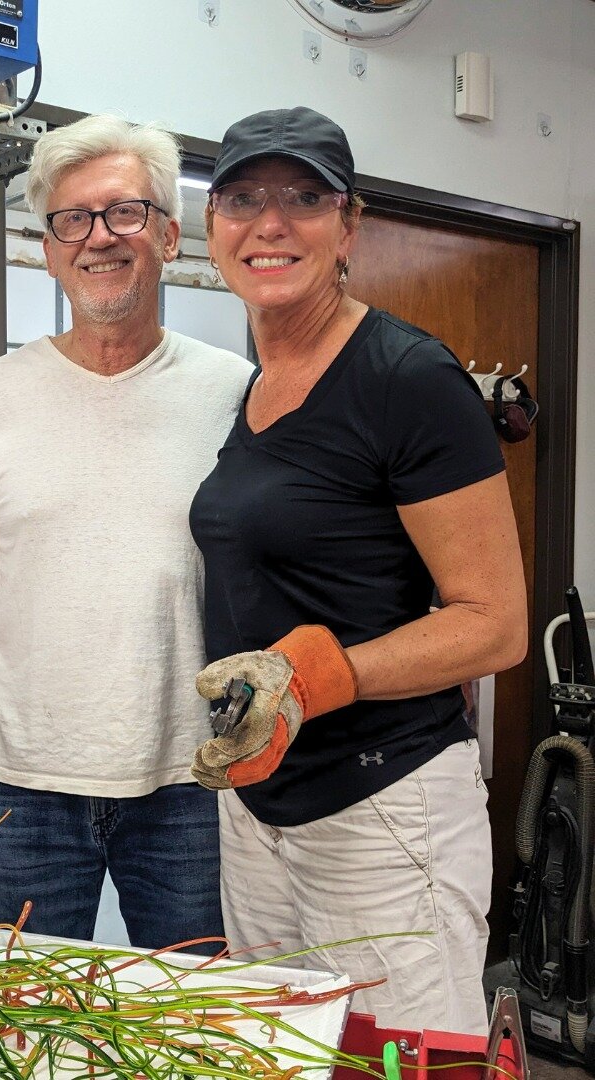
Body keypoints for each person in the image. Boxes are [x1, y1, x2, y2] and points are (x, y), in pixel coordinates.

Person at [0, 114, 253, 953]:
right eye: (71, 220)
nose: (98, 238)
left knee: (195, 1019)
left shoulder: (235, 390)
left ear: (167, 233)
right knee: (21, 1020)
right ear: (48, 248)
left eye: (124, 213)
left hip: (191, 780)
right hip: (22, 783)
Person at [188, 107, 527, 1032]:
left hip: (384, 805)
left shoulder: (406, 377)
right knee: (285, 1052)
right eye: (243, 199)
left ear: (349, 226)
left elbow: (493, 621)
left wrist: (319, 677)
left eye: (304, 198)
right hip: (262, 808)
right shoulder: (249, 388)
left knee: (402, 1057)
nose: (271, 224)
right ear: (212, 224)